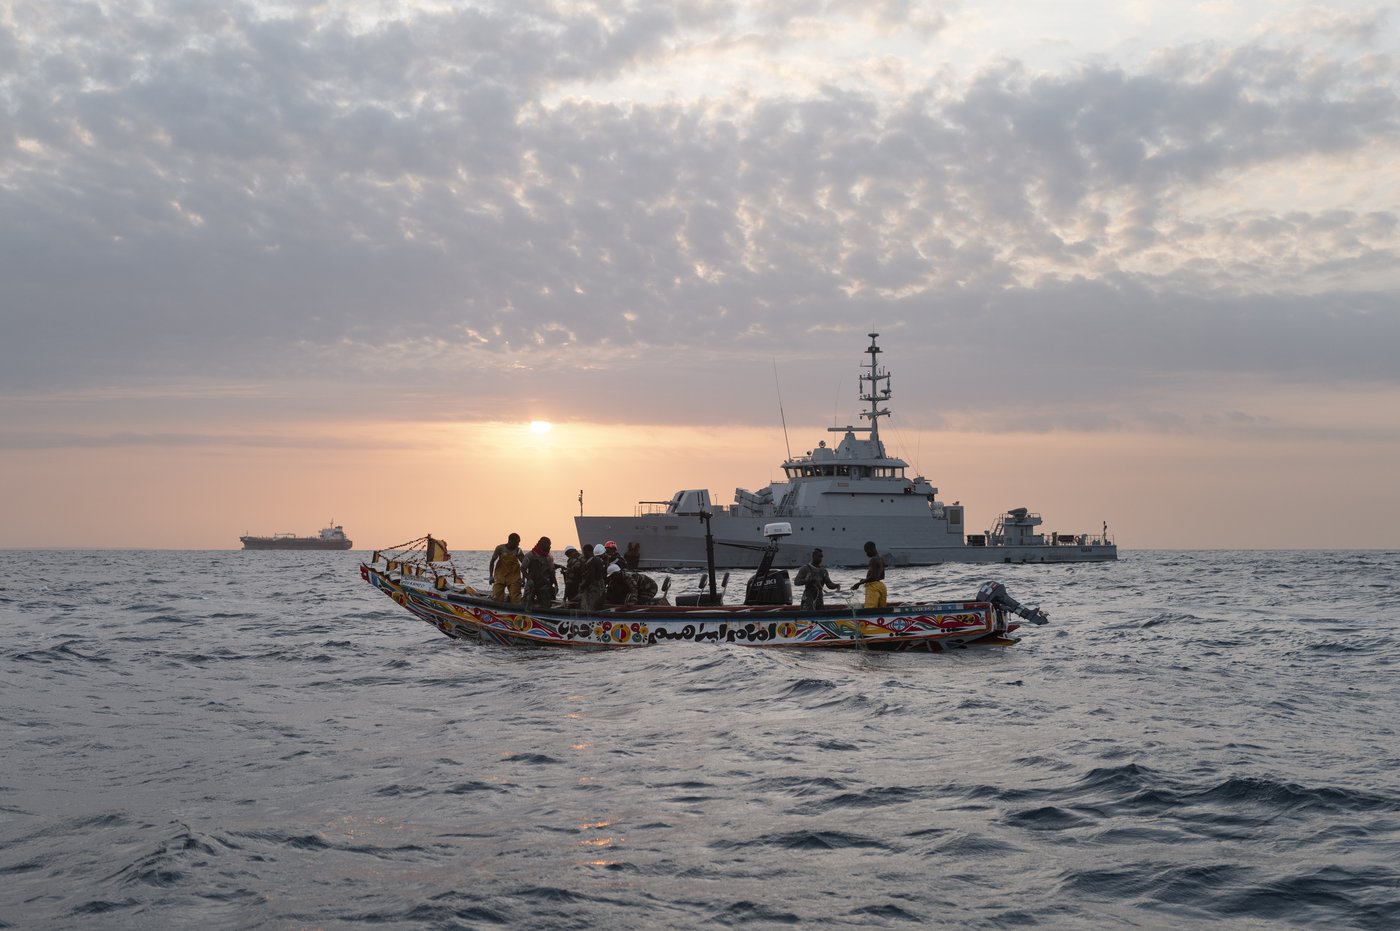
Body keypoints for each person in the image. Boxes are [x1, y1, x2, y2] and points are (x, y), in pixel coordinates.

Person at [521, 536, 558, 610]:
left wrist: (556, 584)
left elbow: (552, 572)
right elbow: (523, 568)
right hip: (532, 584)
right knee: (526, 603)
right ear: (541, 544)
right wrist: (528, 579)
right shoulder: (530, 555)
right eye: (548, 544)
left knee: (546, 605)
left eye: (550, 545)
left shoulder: (549, 557)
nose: (549, 546)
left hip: (544, 585)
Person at [850, 540, 887, 609]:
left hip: (873, 587)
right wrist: (865, 579)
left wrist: (859, 583)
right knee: (882, 608)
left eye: (867, 551)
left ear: (872, 549)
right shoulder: (881, 558)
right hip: (881, 586)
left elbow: (873, 577)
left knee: (870, 608)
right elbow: (881, 576)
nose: (866, 554)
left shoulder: (873, 560)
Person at [489, 533, 523, 603]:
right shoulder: (500, 548)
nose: (518, 544)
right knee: (496, 599)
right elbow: (492, 561)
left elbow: (524, 565)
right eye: (517, 542)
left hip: (514, 577)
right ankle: (502, 597)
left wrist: (524, 579)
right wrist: (491, 576)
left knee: (516, 600)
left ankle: (510, 597)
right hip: (500, 576)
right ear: (510, 540)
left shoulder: (518, 551)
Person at [579, 544, 608, 612]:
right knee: (598, 604)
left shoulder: (591, 561)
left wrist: (583, 586)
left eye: (584, 552)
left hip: (594, 588)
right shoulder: (599, 560)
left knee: (591, 606)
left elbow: (591, 576)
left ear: (588, 551)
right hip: (600, 586)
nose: (584, 554)